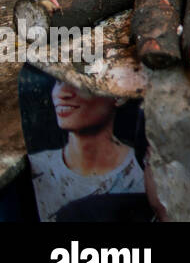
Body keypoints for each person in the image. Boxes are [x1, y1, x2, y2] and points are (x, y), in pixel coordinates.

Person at [28, 80, 143, 221]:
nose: (62, 93)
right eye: (58, 81)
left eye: (78, 82)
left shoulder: (146, 173)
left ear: (118, 95)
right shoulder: (32, 171)